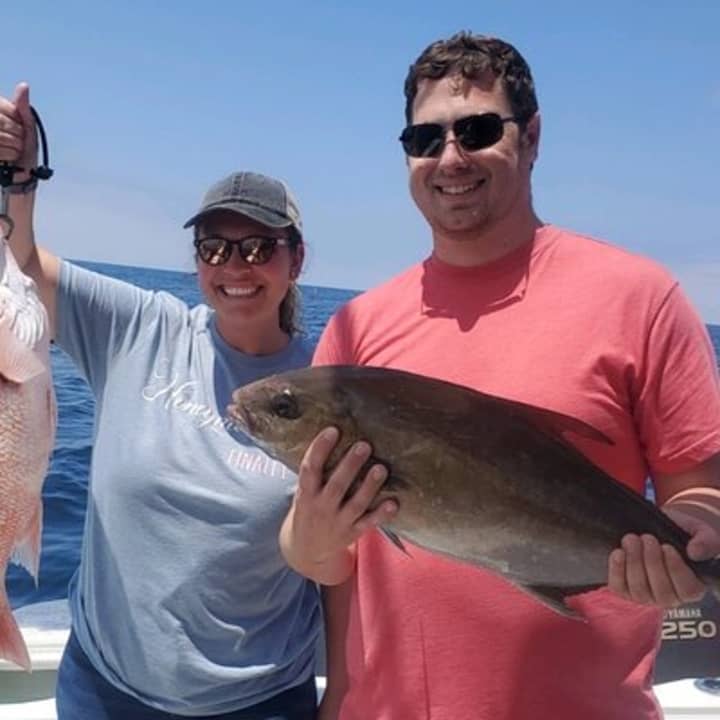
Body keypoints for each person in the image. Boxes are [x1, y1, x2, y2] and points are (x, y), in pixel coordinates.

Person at [278, 32, 720, 720]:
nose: (450, 157)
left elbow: (701, 491)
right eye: (425, 139)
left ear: (532, 136)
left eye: (478, 130)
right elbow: (328, 565)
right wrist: (312, 541)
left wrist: (689, 541)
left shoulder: (640, 298)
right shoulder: (357, 329)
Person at [0, 83, 321, 719]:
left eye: (259, 247)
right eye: (214, 247)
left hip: (258, 702)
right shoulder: (140, 327)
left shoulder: (323, 386)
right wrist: (21, 179)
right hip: (102, 691)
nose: (235, 266)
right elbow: (25, 268)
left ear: (297, 260)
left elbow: (343, 563)